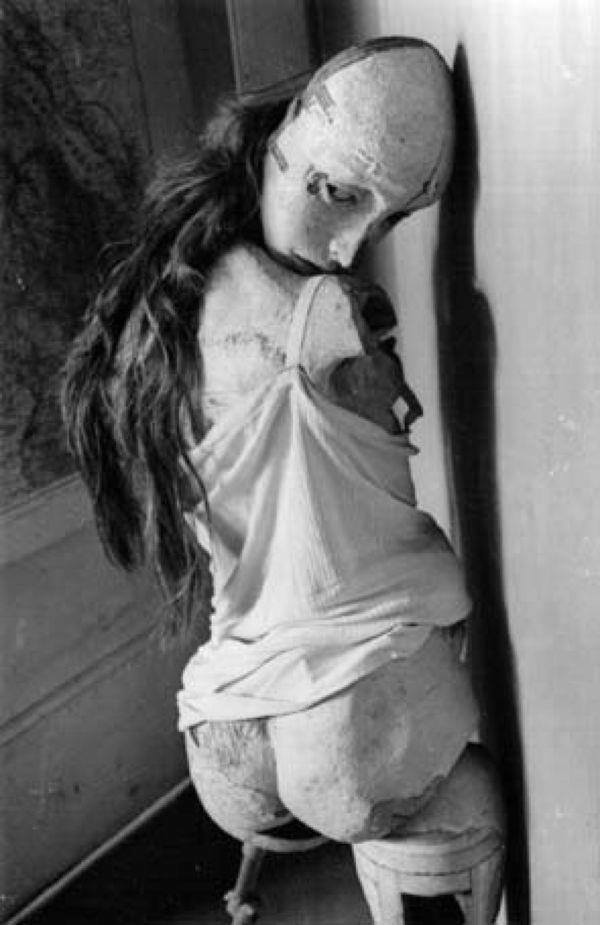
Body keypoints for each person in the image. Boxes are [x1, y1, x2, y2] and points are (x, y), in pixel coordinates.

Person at [62, 37, 489, 848]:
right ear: (282, 140)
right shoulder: (333, 313)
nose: (350, 248)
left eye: (389, 218)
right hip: (359, 696)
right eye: (338, 193)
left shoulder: (164, 306)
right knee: (464, 800)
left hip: (226, 714)